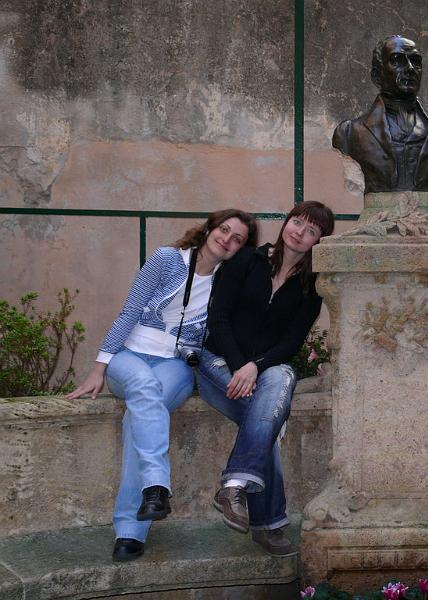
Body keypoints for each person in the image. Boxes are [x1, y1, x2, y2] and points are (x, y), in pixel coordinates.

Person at [66, 209, 258, 562]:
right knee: (142, 385)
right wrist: (99, 368)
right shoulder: (166, 259)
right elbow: (130, 311)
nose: (226, 240)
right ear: (209, 229)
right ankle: (156, 485)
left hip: (176, 366)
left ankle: (131, 529)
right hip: (129, 357)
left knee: (139, 415)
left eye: (237, 239)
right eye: (223, 230)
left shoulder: (227, 283)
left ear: (241, 250)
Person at [197, 200, 335, 557]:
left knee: (281, 377)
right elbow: (218, 317)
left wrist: (255, 366)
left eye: (311, 230)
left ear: (318, 241)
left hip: (263, 371)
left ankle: (235, 486)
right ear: (286, 222)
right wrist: (240, 364)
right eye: (297, 222)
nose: (300, 233)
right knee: (268, 421)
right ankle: (268, 524)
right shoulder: (246, 259)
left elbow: (291, 342)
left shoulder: (311, 286)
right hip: (217, 361)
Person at [332, 35, 428, 193]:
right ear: (377, 75)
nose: (410, 68)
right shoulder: (349, 134)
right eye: (397, 60)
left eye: (416, 61)